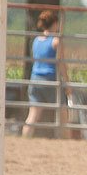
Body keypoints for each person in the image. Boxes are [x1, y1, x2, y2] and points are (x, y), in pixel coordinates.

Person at [22, 10, 66, 138]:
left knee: (33, 115)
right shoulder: (56, 41)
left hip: (35, 79)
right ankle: (66, 139)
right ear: (54, 24)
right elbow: (61, 64)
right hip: (50, 79)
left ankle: (25, 139)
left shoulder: (36, 41)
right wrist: (67, 83)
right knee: (62, 112)